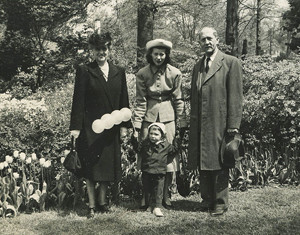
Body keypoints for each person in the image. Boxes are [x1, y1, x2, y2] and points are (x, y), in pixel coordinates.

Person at [69, 32, 131, 218]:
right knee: (90, 167)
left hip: (111, 127)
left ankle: (102, 201)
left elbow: (124, 100)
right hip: (90, 127)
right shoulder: (85, 70)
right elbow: (78, 101)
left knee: (106, 166)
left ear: (109, 49)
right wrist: (76, 128)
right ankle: (91, 205)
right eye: (97, 49)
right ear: (91, 50)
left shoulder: (119, 71)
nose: (101, 52)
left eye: (104, 48)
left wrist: (124, 126)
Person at [187, 27, 243, 216]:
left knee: (220, 161)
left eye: (209, 38)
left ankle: (220, 202)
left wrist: (233, 124)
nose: (206, 43)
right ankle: (207, 199)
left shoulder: (230, 63)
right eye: (203, 40)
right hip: (200, 123)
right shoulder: (198, 66)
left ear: (217, 39)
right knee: (203, 161)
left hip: (220, 122)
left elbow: (236, 97)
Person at [133, 39, 187, 209]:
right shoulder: (142, 73)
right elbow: (140, 100)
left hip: (168, 117)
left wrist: (182, 122)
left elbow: (179, 99)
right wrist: (137, 125)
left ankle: (165, 195)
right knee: (146, 156)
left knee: (169, 156)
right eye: (155, 54)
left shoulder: (175, 73)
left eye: (162, 54)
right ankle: (146, 197)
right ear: (150, 55)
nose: (159, 57)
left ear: (166, 55)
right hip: (149, 116)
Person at [132, 122, 180, 217]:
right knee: (147, 189)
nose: (153, 136)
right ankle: (149, 205)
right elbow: (137, 149)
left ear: (162, 135)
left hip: (159, 172)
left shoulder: (166, 146)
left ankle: (157, 207)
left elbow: (174, 150)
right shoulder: (145, 144)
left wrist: (177, 139)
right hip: (147, 171)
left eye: (156, 134)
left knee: (158, 190)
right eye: (151, 134)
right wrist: (134, 138)